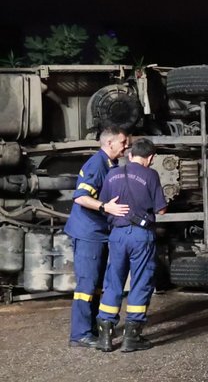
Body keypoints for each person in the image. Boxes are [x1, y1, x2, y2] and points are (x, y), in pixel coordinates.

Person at [94, 138, 168, 352]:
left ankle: (105, 338)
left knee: (113, 281)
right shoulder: (151, 175)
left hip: (117, 235)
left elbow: (105, 205)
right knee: (140, 281)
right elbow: (161, 210)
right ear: (151, 157)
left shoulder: (112, 174)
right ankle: (132, 338)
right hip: (140, 236)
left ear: (130, 154)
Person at [64, 126, 130, 348]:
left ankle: (90, 329)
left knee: (97, 285)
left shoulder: (111, 164)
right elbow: (80, 197)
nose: (126, 146)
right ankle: (80, 334)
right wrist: (105, 207)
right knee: (87, 284)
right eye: (123, 142)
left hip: (99, 233)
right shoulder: (96, 164)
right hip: (88, 233)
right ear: (109, 143)